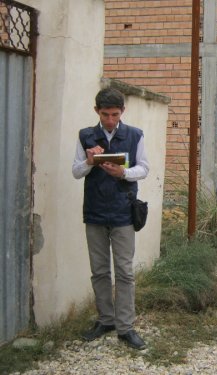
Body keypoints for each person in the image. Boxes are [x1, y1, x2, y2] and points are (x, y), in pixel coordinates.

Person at [72, 87, 149, 350]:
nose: (110, 120)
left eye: (115, 114)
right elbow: (75, 171)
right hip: (94, 211)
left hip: (123, 212)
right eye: (105, 114)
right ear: (97, 111)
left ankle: (125, 327)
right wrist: (90, 162)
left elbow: (144, 168)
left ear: (122, 112)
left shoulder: (135, 134)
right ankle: (106, 320)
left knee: (125, 272)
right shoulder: (86, 135)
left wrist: (123, 173)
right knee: (100, 271)